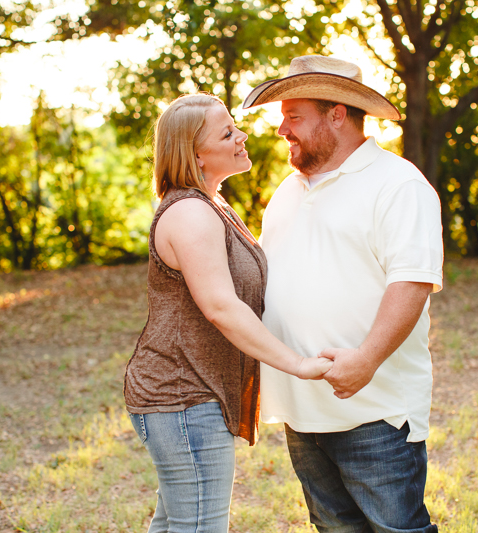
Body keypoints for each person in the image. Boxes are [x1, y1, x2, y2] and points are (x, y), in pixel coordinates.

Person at [242, 56, 444, 532]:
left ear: (337, 114)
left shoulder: (398, 185)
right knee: (334, 529)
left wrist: (367, 358)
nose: (281, 128)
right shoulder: (288, 191)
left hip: (374, 409)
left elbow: (411, 282)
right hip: (302, 407)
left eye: (294, 115)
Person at [123, 93, 333, 533]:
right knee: (198, 526)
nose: (242, 136)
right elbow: (221, 306)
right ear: (196, 154)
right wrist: (297, 364)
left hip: (193, 395)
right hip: (183, 398)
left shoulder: (214, 206)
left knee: (177, 524)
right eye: (227, 133)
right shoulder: (190, 215)